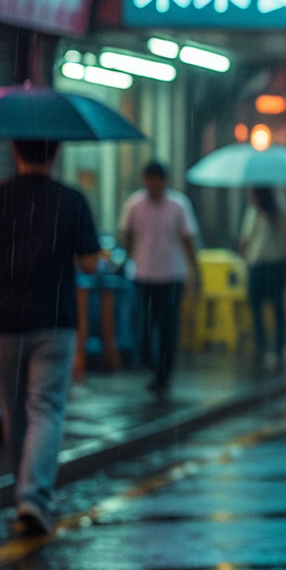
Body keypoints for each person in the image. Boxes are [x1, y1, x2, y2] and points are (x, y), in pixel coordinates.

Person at [0, 137, 107, 536]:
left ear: (15, 152)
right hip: (55, 322)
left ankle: (24, 494)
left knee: (14, 411)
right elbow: (89, 261)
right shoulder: (72, 200)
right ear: (56, 154)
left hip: (6, 322)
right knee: (46, 409)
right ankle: (32, 498)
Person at [119, 161, 199, 399]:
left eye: (157, 180)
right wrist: (128, 256)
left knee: (167, 328)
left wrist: (195, 270)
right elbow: (126, 234)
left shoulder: (178, 205)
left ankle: (163, 376)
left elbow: (188, 239)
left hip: (172, 275)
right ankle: (150, 365)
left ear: (165, 181)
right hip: (142, 274)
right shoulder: (134, 204)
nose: (153, 185)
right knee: (143, 324)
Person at [238, 184, 286, 368]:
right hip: (257, 266)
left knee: (277, 308)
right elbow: (245, 241)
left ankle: (277, 349)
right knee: (258, 309)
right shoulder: (253, 214)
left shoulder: (280, 215)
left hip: (275, 266)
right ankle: (261, 347)